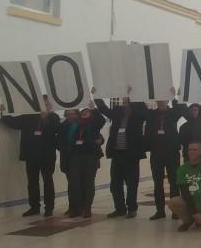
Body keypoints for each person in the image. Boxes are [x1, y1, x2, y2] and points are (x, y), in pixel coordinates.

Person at [0, 96, 60, 217]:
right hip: (31, 154)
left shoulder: (54, 117)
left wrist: (45, 118)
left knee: (47, 181)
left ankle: (49, 207)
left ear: (50, 105)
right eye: (42, 103)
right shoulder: (29, 116)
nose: (44, 105)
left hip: (47, 155)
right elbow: (14, 122)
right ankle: (34, 206)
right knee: (32, 182)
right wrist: (3, 112)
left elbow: (55, 129)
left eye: (46, 103)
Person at [94, 90, 148, 219]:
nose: (124, 101)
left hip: (131, 154)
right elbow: (104, 109)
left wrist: (135, 96)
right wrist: (97, 96)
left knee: (131, 183)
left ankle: (132, 208)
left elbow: (145, 112)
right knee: (115, 184)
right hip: (117, 153)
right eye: (124, 99)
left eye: (128, 99)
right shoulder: (117, 112)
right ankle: (120, 208)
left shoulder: (138, 114)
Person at [144, 89, 186, 220]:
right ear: (156, 101)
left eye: (164, 100)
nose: (161, 102)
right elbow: (140, 109)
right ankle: (160, 210)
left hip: (172, 152)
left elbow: (181, 109)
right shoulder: (151, 114)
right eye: (159, 100)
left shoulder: (173, 113)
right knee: (157, 182)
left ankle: (175, 210)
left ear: (167, 101)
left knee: (174, 182)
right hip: (156, 152)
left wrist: (175, 96)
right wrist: (135, 93)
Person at [58, 104, 106, 218]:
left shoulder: (94, 124)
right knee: (75, 184)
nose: (85, 113)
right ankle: (77, 207)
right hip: (75, 157)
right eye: (83, 111)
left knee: (88, 183)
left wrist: (94, 108)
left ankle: (87, 207)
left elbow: (101, 120)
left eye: (87, 111)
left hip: (90, 157)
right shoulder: (75, 125)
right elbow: (67, 140)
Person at [167, 141, 201, 232]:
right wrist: (195, 213)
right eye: (189, 149)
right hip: (191, 201)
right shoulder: (182, 169)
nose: (191, 152)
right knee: (173, 202)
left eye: (195, 149)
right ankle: (188, 221)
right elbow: (185, 193)